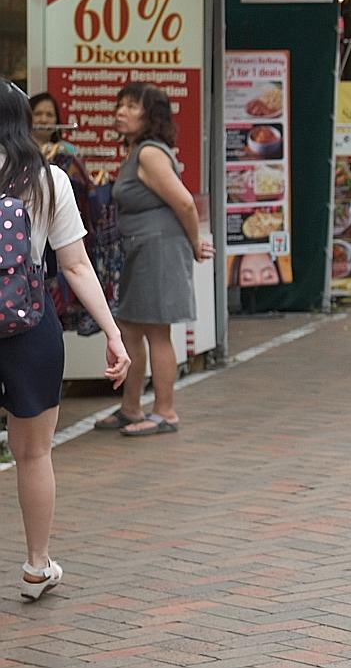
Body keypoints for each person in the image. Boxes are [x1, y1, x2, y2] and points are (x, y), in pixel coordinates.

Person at [0, 83, 131, 600]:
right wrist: (113, 333)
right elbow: (75, 265)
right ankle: (36, 565)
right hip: (30, 328)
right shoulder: (49, 180)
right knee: (33, 454)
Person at [98, 83, 213, 437]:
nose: (121, 111)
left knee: (156, 332)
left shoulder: (150, 153)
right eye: (120, 104)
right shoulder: (138, 152)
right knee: (131, 328)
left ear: (151, 116)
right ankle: (131, 408)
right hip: (142, 248)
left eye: (132, 106)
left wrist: (195, 244)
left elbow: (184, 203)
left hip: (158, 249)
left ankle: (165, 412)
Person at [29, 93, 95, 333]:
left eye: (49, 114)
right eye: (38, 113)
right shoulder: (17, 156)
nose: (44, 119)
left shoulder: (68, 153)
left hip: (64, 235)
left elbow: (85, 190)